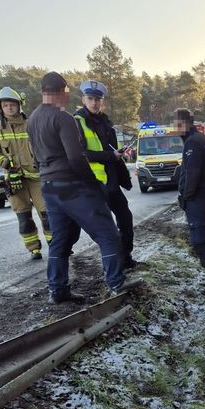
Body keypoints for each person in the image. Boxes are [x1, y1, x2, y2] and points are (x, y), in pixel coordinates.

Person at [26, 71, 125, 304]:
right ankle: (116, 286)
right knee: (108, 234)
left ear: (42, 91)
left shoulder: (32, 119)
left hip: (48, 187)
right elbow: (76, 157)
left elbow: (34, 157)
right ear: (63, 92)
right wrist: (93, 184)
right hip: (72, 186)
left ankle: (57, 291)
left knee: (60, 240)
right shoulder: (63, 117)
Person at [74, 80, 136, 269]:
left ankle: (125, 258)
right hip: (94, 184)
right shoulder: (77, 121)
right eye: (91, 98)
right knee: (106, 228)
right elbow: (80, 153)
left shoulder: (105, 121)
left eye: (98, 99)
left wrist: (118, 154)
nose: (94, 103)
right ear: (83, 99)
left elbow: (110, 149)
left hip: (112, 181)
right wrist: (110, 155)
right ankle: (114, 267)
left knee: (126, 219)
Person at [0, 87, 51, 259]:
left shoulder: (31, 123)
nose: (9, 108)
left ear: (19, 105)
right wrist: (2, 162)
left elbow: (43, 145)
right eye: (5, 105)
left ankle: (56, 246)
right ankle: (33, 249)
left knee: (47, 214)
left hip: (36, 176)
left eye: (12, 105)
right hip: (14, 179)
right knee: (24, 217)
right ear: (1, 108)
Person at [173, 107, 205, 293]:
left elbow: (192, 174)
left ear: (187, 123)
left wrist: (185, 197)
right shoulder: (200, 139)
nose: (177, 128)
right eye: (175, 124)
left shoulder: (193, 143)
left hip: (199, 201)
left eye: (179, 124)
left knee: (200, 241)